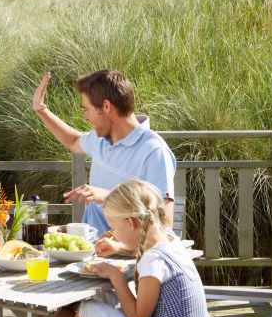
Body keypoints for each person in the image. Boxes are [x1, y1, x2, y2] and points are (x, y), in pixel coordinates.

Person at [71, 180, 226, 317]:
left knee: (88, 309)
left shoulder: (152, 261)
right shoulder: (170, 241)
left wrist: (116, 276)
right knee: (101, 300)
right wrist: (120, 246)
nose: (115, 234)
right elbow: (144, 241)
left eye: (114, 228)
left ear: (129, 222)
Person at [32, 69, 176, 242]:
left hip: (128, 258)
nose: (85, 117)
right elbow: (74, 141)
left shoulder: (154, 152)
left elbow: (164, 222)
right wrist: (42, 110)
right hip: (90, 250)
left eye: (86, 109)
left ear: (106, 106)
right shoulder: (101, 140)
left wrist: (108, 197)